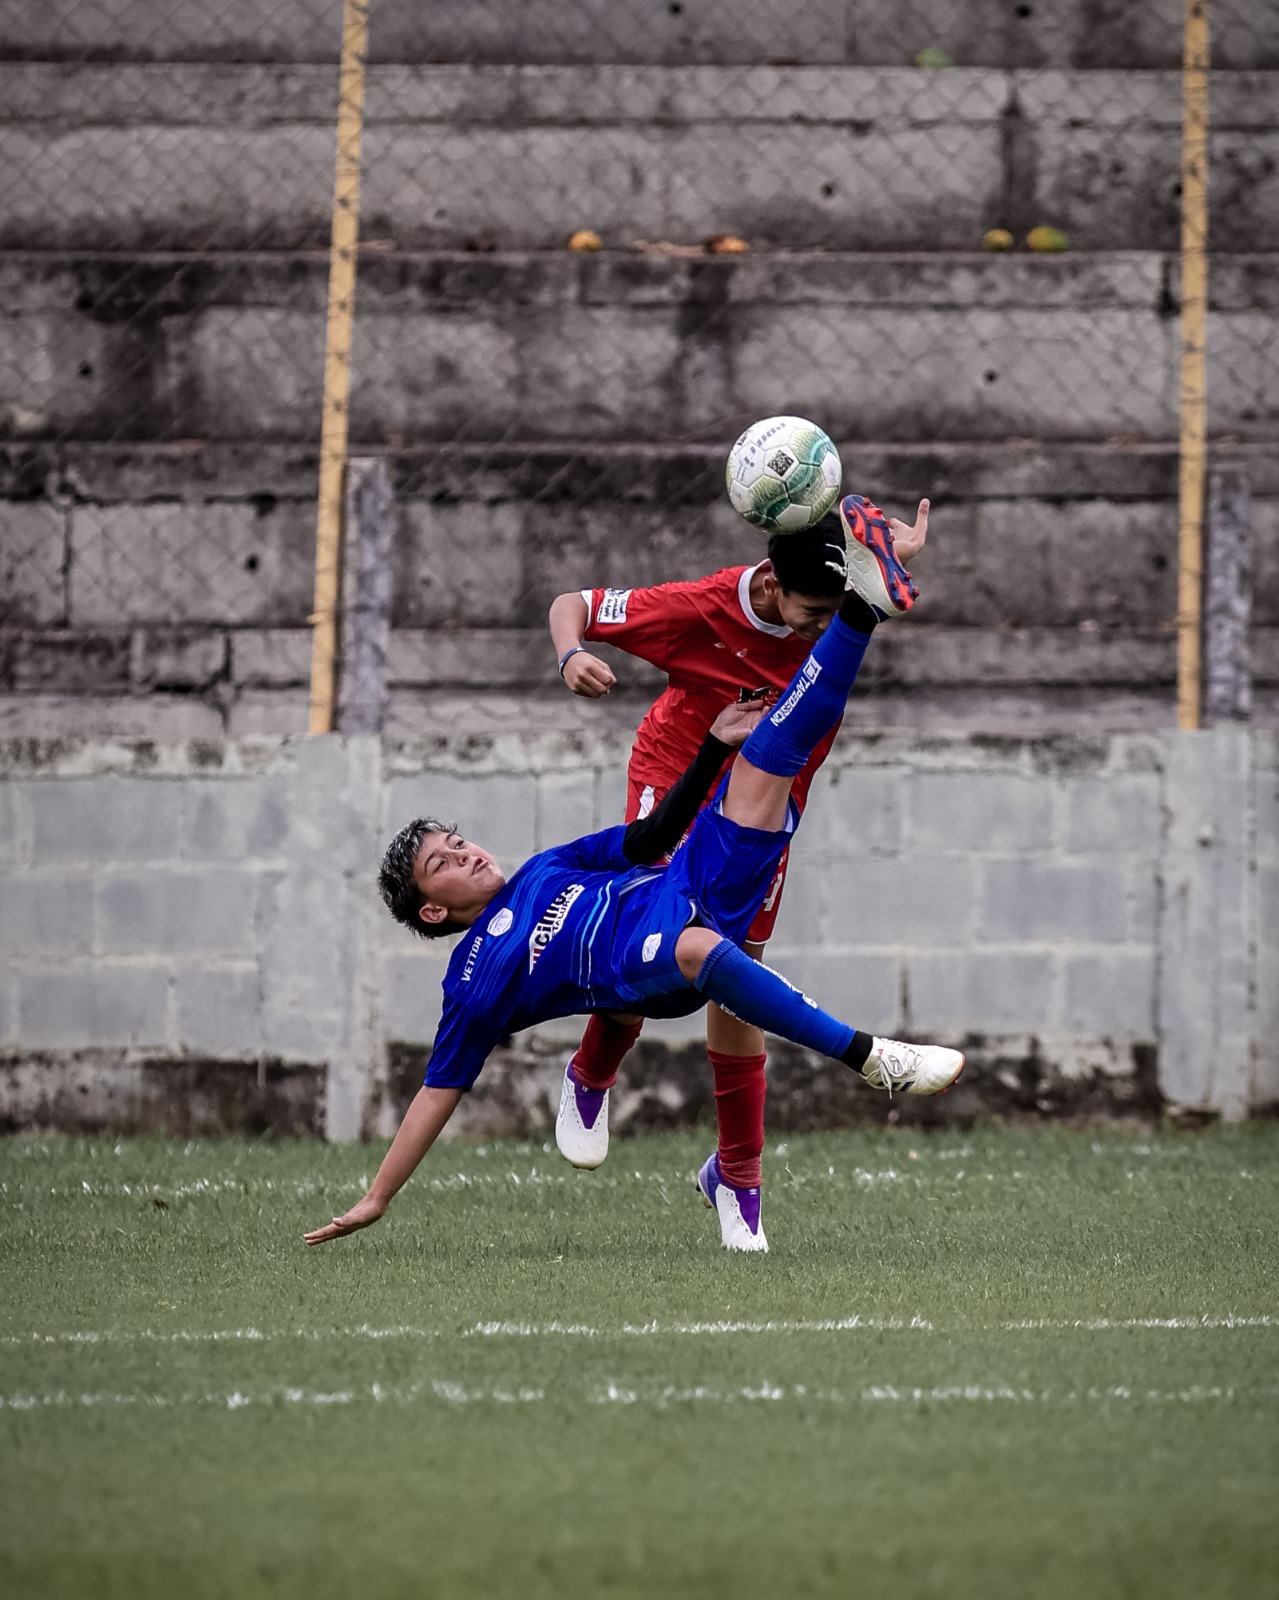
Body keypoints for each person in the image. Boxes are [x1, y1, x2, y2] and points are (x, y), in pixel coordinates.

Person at [305, 501, 960, 1255]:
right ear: (430, 911)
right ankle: (867, 1057)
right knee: (704, 952)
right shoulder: (475, 981)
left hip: (684, 871)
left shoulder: (546, 866)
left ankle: (866, 608)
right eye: (444, 865)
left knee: (777, 748)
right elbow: (436, 1091)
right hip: (642, 961)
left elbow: (649, 839)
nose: (468, 854)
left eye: (458, 841)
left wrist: (714, 748)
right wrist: (377, 1196)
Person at [544, 495, 930, 1199]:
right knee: (651, 932)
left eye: (835, 613)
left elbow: (864, 588)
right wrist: (571, 654)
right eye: (814, 613)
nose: (826, 628)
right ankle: (592, 1074)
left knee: (738, 973)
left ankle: (735, 1171)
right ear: (771, 586)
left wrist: (886, 558)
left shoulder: (839, 605)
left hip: (768, 800)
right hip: (676, 778)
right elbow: (575, 603)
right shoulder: (699, 608)